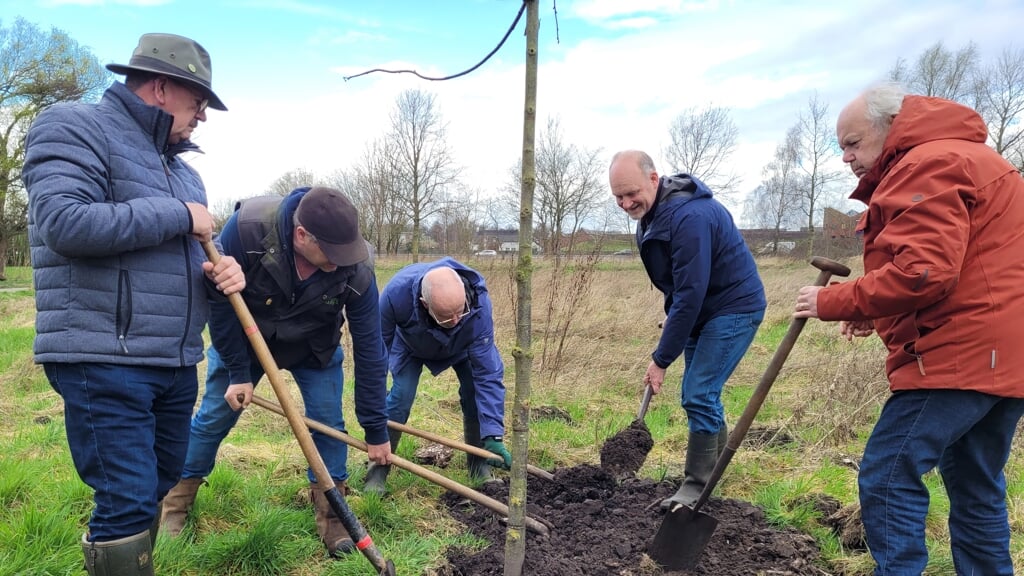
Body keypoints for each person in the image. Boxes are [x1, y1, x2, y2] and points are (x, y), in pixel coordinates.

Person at [21, 33, 245, 576]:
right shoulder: (74, 126)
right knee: (126, 497)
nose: (204, 118)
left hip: (171, 359)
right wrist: (178, 215)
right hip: (101, 352)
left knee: (160, 480)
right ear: (163, 88)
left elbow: (170, 262)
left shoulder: (183, 172)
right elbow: (65, 224)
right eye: (199, 103)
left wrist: (218, 276)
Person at [794, 84, 1024, 576]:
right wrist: (873, 309)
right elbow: (967, 267)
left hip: (957, 356)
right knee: (976, 487)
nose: (846, 158)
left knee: (887, 473)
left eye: (853, 143)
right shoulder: (972, 157)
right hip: (1005, 355)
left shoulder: (927, 163)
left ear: (891, 127)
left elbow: (925, 271)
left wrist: (833, 300)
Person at [160, 186, 392, 557]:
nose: (340, 261)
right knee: (215, 418)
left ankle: (333, 518)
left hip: (315, 347)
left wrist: (377, 430)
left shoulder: (355, 265)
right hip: (246, 341)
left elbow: (370, 351)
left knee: (328, 424)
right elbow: (220, 304)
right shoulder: (249, 230)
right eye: (331, 254)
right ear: (302, 235)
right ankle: (175, 505)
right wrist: (238, 371)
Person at [608, 150, 766, 510]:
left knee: (698, 394)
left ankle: (697, 487)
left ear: (653, 179)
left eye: (631, 193)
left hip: (732, 308)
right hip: (704, 309)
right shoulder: (652, 215)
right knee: (703, 394)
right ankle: (712, 477)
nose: (626, 202)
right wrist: (675, 317)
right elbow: (679, 287)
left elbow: (691, 291)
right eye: (618, 196)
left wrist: (662, 358)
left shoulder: (689, 216)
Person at [363, 257, 509, 495]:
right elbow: (375, 358)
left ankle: (479, 467)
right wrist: (372, 424)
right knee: (400, 398)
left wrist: (493, 432)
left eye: (459, 312)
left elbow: (488, 373)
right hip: (411, 346)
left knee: (474, 393)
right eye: (445, 316)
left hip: (463, 346)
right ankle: (376, 473)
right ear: (424, 303)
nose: (454, 321)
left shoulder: (478, 303)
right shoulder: (394, 296)